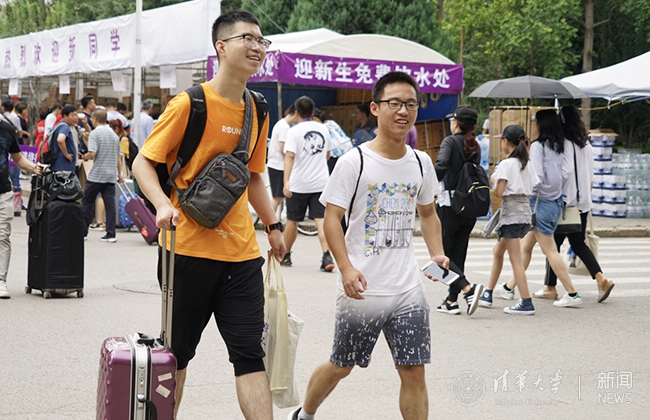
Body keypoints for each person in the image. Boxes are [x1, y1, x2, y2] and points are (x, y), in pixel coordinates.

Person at [132, 10, 285, 420]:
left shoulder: (258, 108)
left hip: (242, 255)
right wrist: (162, 204)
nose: (257, 47)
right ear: (221, 47)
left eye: (262, 40)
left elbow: (254, 176)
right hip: (186, 251)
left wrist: (273, 226)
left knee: (250, 355)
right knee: (176, 355)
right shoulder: (190, 103)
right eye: (247, 38)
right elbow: (143, 163)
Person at [288, 71, 448, 420]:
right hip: (363, 289)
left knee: (413, 370)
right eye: (395, 103)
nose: (403, 111)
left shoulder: (421, 162)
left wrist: (437, 253)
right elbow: (332, 218)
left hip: (407, 289)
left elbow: (428, 214)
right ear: (375, 108)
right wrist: (345, 267)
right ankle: (305, 414)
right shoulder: (354, 161)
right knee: (341, 365)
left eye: (411, 104)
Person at [501, 110, 584, 308]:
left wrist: (526, 190)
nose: (533, 124)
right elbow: (566, 172)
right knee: (526, 247)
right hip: (555, 202)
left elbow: (536, 177)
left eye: (534, 121)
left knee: (551, 251)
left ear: (541, 124)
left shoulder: (538, 146)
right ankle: (509, 287)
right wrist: (552, 186)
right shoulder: (562, 145)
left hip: (539, 203)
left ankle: (572, 293)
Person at [539, 105, 614, 302]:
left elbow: (565, 172)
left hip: (567, 201)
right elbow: (590, 175)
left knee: (553, 245)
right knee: (576, 243)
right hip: (583, 201)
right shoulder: (586, 144)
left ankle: (551, 287)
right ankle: (599, 279)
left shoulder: (565, 143)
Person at [478, 125, 538, 314]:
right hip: (524, 214)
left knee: (516, 260)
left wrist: (493, 183)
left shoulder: (506, 164)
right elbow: (530, 191)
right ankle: (488, 292)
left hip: (511, 215)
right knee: (498, 251)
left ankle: (526, 302)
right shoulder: (527, 164)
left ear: (506, 142)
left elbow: (499, 192)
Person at [433, 105, 484, 315]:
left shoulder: (450, 141)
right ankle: (451, 301)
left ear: (456, 123)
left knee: (441, 254)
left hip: (449, 205)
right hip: (469, 206)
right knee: (458, 253)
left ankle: (468, 289)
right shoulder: (474, 144)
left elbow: (442, 165)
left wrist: (426, 183)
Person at [281, 96, 334, 271]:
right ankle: (326, 255)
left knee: (293, 220)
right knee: (320, 219)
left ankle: (286, 255)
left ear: (296, 112)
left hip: (299, 184)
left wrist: (286, 182)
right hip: (321, 183)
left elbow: (289, 156)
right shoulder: (324, 129)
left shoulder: (293, 131)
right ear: (312, 112)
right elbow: (327, 155)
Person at [0, 115, 42, 299]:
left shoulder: (7, 129)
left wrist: (33, 167)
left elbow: (17, 158)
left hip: (3, 192)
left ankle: (1, 280)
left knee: (2, 236)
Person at [80, 110, 123, 242]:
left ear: (94, 119)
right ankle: (111, 234)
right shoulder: (114, 135)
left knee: (87, 202)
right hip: (110, 175)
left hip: (97, 175)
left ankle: (83, 232)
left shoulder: (95, 133)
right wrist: (119, 174)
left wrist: (85, 157)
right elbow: (118, 157)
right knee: (110, 205)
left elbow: (93, 152)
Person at [267, 104, 299, 213]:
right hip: (278, 166)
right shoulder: (284, 127)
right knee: (278, 197)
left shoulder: (281, 124)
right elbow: (282, 149)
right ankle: (269, 221)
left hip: (275, 164)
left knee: (280, 197)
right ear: (296, 114)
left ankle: (276, 220)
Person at [50, 105, 78, 172]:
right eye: (72, 115)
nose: (75, 118)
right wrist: (67, 155)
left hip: (59, 165)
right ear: (65, 116)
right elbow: (60, 140)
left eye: (76, 115)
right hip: (63, 166)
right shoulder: (64, 126)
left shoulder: (60, 125)